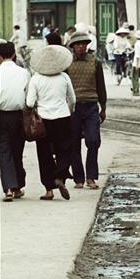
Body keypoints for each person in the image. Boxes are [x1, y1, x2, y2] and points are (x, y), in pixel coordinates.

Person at [26, 43, 76, 200]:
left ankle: (49, 190)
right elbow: (72, 99)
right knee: (65, 149)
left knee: (44, 154)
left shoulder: (36, 79)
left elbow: (29, 103)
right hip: (62, 117)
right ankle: (60, 176)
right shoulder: (64, 77)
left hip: (43, 121)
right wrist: (69, 111)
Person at [65, 31, 106, 190]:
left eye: (84, 43)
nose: (81, 46)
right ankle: (78, 179)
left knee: (93, 140)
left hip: (91, 106)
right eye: (78, 44)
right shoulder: (67, 63)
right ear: (73, 46)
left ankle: (91, 177)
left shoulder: (96, 62)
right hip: (73, 107)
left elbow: (100, 85)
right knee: (74, 143)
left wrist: (104, 106)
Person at [0, 41, 30, 200]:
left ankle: (8, 189)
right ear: (13, 55)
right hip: (19, 116)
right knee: (18, 151)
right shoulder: (23, 72)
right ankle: (17, 187)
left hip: (1, 116)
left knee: (4, 151)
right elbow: (29, 95)